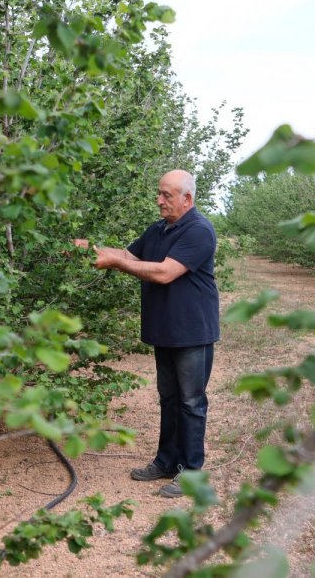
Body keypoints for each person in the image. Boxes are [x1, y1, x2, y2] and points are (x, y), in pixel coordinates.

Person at [74, 169, 219, 498]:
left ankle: (192, 473)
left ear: (187, 199)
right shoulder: (158, 229)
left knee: (191, 402)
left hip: (192, 332)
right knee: (169, 399)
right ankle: (167, 461)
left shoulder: (199, 230)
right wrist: (91, 249)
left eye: (166, 195)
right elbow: (130, 255)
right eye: (160, 193)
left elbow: (166, 272)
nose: (159, 200)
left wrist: (114, 263)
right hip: (164, 330)